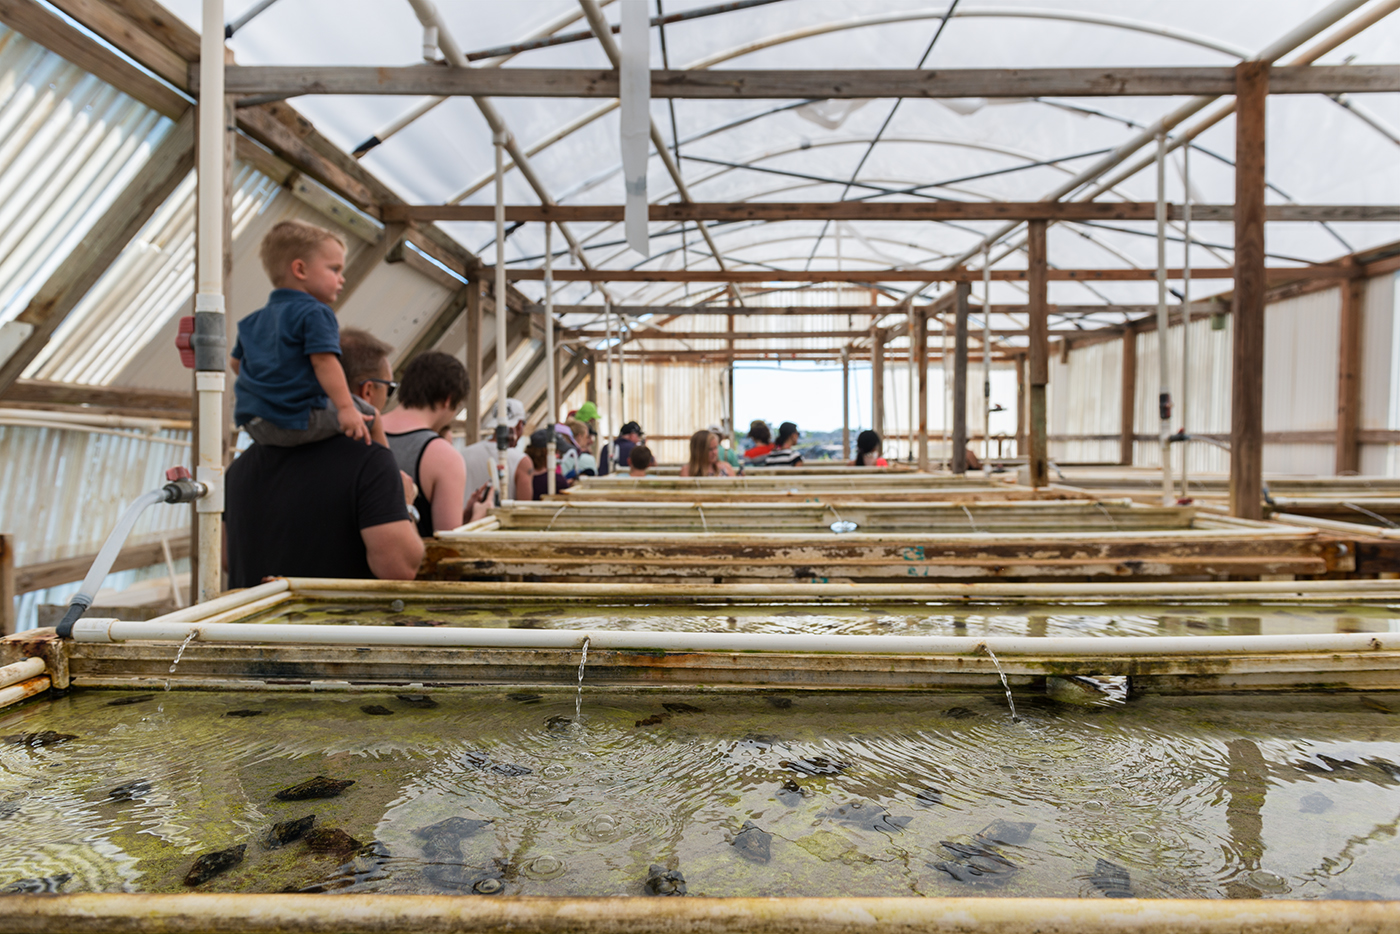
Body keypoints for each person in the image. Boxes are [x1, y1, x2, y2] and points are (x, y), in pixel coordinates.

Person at [230, 220, 377, 447]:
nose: (342, 278)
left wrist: (267, 390)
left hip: (255, 422)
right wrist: (346, 409)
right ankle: (395, 478)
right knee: (369, 416)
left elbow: (235, 363)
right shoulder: (315, 313)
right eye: (335, 269)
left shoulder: (253, 320)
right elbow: (324, 362)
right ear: (300, 269)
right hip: (296, 419)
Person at [224, 433, 423, 587]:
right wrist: (405, 504)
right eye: (389, 389)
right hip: (335, 632)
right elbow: (400, 568)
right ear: (367, 390)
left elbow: (226, 559)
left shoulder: (238, 468)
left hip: (251, 631)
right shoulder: (369, 462)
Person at [382, 352, 486, 535]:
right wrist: (478, 518)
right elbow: (447, 546)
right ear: (448, 399)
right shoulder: (443, 456)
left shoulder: (362, 429)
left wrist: (465, 517)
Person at [461, 398, 526, 501]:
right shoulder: (522, 462)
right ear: (519, 424)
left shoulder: (464, 454)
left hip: (469, 516)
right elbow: (524, 510)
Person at [517, 428, 573, 500]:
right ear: (547, 452)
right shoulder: (557, 482)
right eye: (557, 452)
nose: (559, 457)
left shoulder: (519, 475)